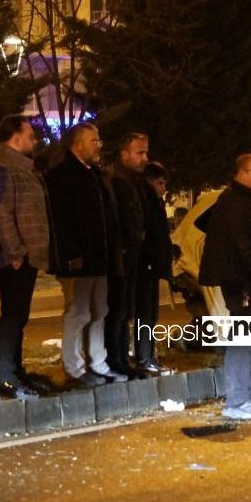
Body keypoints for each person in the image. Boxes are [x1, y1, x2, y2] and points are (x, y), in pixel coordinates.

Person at [199, 154, 251, 421]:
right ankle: (237, 400)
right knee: (242, 338)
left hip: (244, 280)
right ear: (241, 173)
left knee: (247, 338)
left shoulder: (242, 200)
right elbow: (243, 243)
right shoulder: (236, 203)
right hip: (242, 281)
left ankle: (243, 396)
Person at [46, 122, 125, 387]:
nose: (99, 145)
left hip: (98, 258)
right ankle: (74, 366)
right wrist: (72, 254)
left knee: (98, 310)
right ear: (77, 144)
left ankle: (97, 362)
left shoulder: (93, 174)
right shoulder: (62, 175)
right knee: (78, 312)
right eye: (94, 141)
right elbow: (62, 221)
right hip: (79, 260)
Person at [0, 114, 51, 399]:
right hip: (16, 257)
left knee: (18, 316)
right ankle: (6, 375)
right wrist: (15, 253)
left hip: (25, 255)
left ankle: (15, 371)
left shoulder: (19, 167)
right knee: (12, 315)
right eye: (30, 135)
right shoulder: (2, 168)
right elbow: (0, 213)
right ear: (15, 137)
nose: (34, 140)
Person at [104, 133, 150, 378]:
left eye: (145, 152)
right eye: (139, 153)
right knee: (118, 311)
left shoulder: (132, 181)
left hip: (131, 255)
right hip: (121, 257)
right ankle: (116, 360)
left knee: (125, 311)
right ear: (124, 154)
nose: (145, 158)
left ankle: (123, 359)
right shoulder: (117, 182)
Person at [132, 161, 175, 376]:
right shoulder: (146, 202)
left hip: (152, 265)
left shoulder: (155, 202)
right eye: (160, 183)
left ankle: (148, 356)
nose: (163, 188)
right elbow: (150, 235)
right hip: (145, 266)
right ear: (149, 181)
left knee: (151, 314)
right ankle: (144, 357)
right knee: (145, 314)